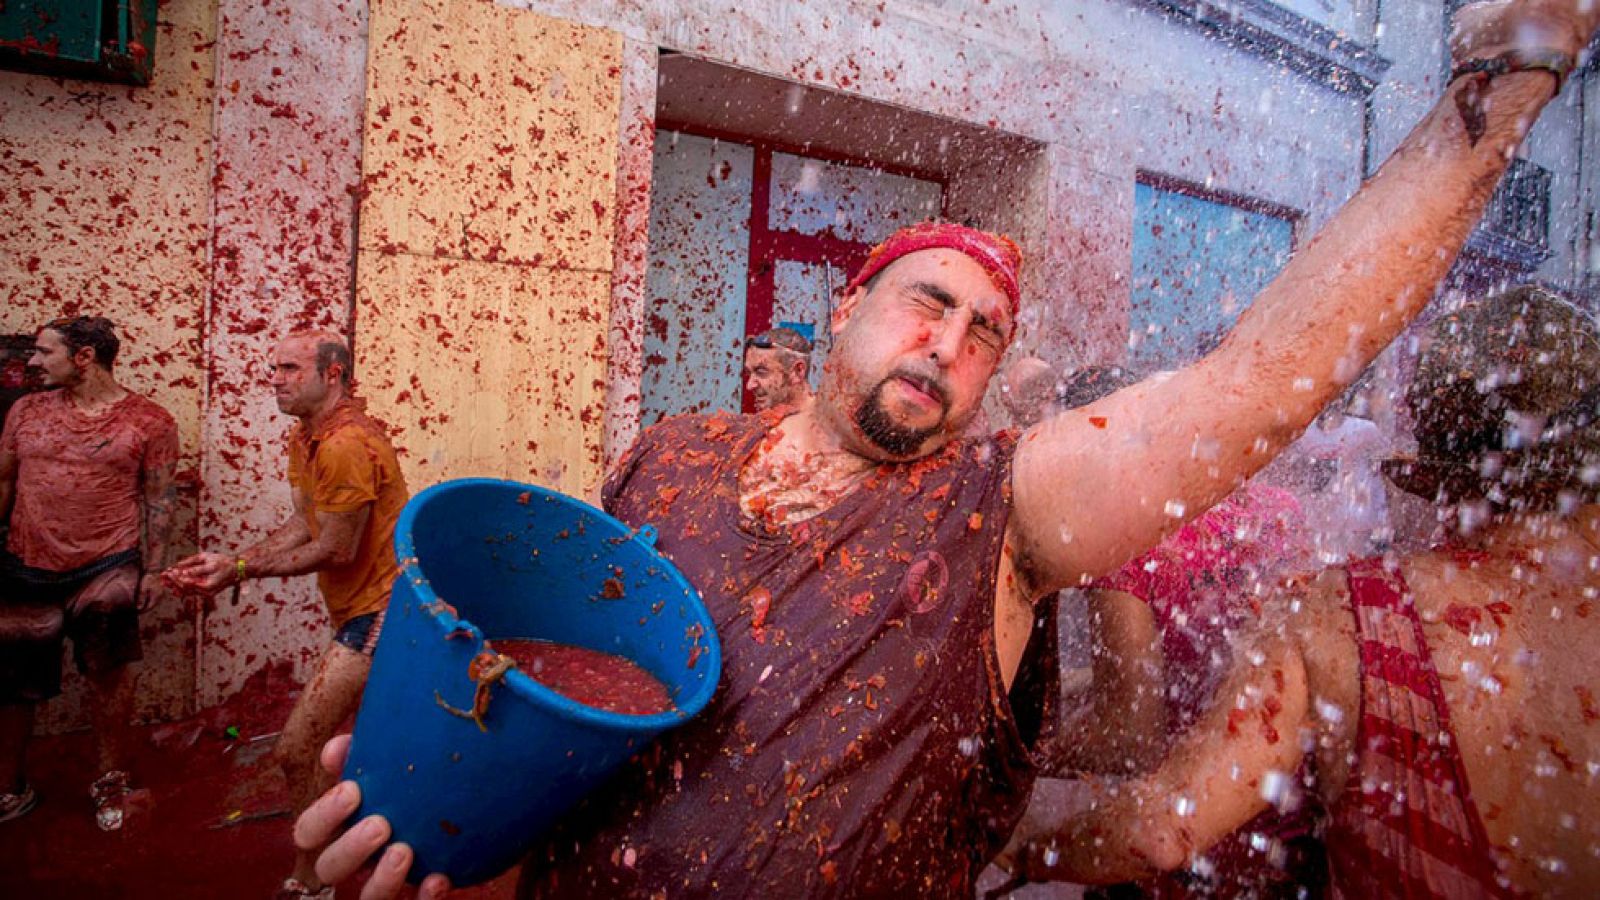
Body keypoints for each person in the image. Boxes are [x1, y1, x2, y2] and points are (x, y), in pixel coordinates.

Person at [298, 3, 1600, 896]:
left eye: (987, 332)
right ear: (846, 310)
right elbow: (569, 688)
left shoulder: (1001, 508)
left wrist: (1499, 93)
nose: (951, 342)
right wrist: (441, 786)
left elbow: (1252, 385)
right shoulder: (669, 454)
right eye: (927, 303)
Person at [1014, 287, 1600, 896]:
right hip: (1275, 850)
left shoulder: (1346, 612)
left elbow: (1157, 816)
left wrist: (1022, 839)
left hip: (1216, 856)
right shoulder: (1279, 513)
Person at [166, 330, 408, 900]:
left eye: (290, 369)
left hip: (383, 612)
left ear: (333, 374)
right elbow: (306, 523)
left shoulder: (347, 444)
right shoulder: (307, 437)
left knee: (298, 746)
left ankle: (311, 879)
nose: (274, 379)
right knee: (358, 746)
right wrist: (235, 562)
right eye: (275, 367)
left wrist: (239, 572)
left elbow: (337, 550)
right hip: (355, 609)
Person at [0, 316, 179, 830]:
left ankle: (110, 782)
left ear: (84, 358)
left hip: (107, 563)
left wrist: (156, 569)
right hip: (26, 561)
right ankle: (9, 788)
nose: (33, 361)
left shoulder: (149, 421)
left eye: (45, 352)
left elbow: (160, 499)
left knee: (108, 674)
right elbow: (4, 481)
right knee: (12, 682)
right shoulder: (25, 411)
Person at [743, 326, 815, 412]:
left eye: (761, 372)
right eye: (748, 373)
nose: (749, 385)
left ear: (798, 371)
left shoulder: (823, 418)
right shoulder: (769, 417)